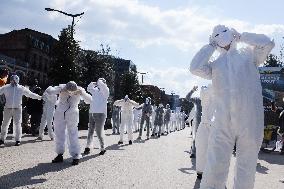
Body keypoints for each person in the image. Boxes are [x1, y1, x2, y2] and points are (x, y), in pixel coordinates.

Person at [190, 25, 274, 189]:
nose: (221, 37)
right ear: (213, 39)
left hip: (249, 120)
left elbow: (267, 43)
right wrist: (210, 47)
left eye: (224, 33)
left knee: (246, 168)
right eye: (216, 36)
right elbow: (195, 68)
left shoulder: (249, 55)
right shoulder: (216, 65)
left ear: (232, 33)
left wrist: (243, 36)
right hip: (223, 122)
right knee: (215, 167)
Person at [48, 81, 91, 165]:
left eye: (72, 91)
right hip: (60, 112)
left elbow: (89, 100)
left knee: (72, 133)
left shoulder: (80, 89)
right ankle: (59, 154)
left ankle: (76, 155)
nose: (70, 93)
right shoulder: (61, 87)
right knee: (59, 132)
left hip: (72, 113)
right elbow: (49, 91)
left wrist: (82, 93)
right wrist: (60, 90)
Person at [0, 75, 42, 146]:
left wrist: (40, 97)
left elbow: (30, 94)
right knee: (5, 124)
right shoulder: (6, 87)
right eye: (11, 79)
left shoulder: (21, 88)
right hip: (8, 108)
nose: (12, 81)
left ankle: (18, 139)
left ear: (17, 80)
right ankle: (2, 139)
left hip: (17, 109)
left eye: (14, 80)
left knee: (17, 125)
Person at [84, 78, 109, 155]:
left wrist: (100, 82)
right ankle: (88, 146)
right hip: (92, 112)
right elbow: (88, 88)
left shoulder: (106, 91)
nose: (98, 84)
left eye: (100, 82)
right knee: (90, 130)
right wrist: (93, 83)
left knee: (98, 131)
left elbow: (102, 85)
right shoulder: (95, 90)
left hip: (101, 113)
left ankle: (103, 147)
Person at [195, 85, 214, 180]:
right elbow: (203, 92)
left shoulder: (224, 93)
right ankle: (201, 171)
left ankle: (212, 172)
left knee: (214, 151)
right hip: (205, 125)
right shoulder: (206, 91)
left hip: (216, 126)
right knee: (202, 148)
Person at [186, 86, 202, 159]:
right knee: (196, 137)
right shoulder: (197, 99)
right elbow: (187, 98)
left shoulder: (211, 99)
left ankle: (204, 152)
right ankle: (193, 152)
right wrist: (192, 90)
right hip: (198, 121)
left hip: (208, 122)